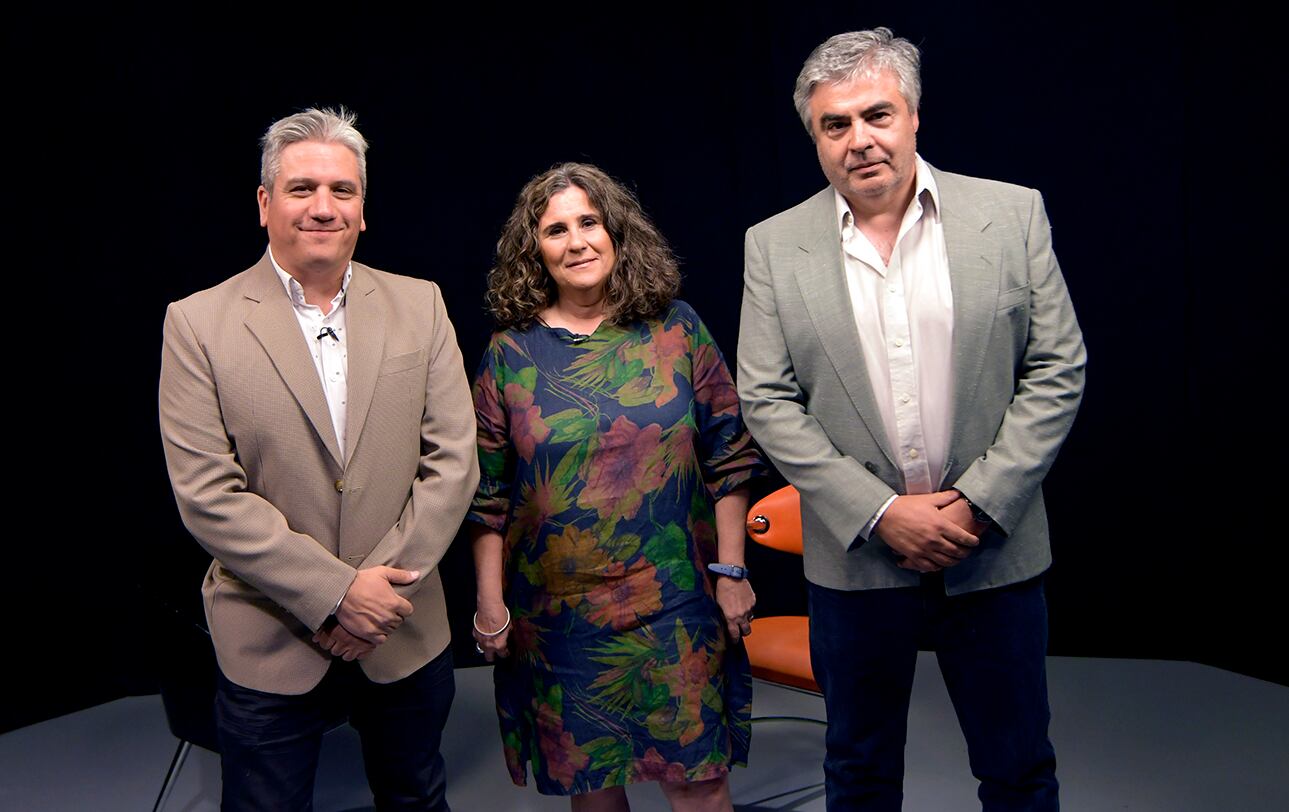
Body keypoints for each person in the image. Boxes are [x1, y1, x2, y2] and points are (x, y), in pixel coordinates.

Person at [736, 29, 1086, 811]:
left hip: (990, 550)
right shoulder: (772, 245)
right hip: (856, 562)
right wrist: (882, 513)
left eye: (876, 115)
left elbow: (1056, 368)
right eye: (835, 125)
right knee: (858, 774)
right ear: (816, 139)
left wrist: (978, 502)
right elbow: (765, 398)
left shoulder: (1011, 214)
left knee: (1018, 770)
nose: (858, 140)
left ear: (913, 115)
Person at [159, 107, 478, 811]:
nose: (323, 207)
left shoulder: (420, 306)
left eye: (342, 190)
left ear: (363, 210)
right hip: (269, 635)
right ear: (265, 204)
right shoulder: (197, 323)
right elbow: (208, 494)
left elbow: (452, 461)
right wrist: (335, 593)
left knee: (417, 798)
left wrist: (377, 596)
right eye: (302, 189)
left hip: (404, 625)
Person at [467, 162, 763, 811]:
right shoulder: (509, 354)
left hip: (678, 605)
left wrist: (732, 570)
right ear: (533, 250)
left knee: (700, 784)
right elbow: (485, 495)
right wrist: (491, 606)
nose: (575, 242)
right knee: (594, 787)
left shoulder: (676, 328)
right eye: (554, 230)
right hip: (559, 619)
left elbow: (730, 456)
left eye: (588, 222)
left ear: (615, 231)